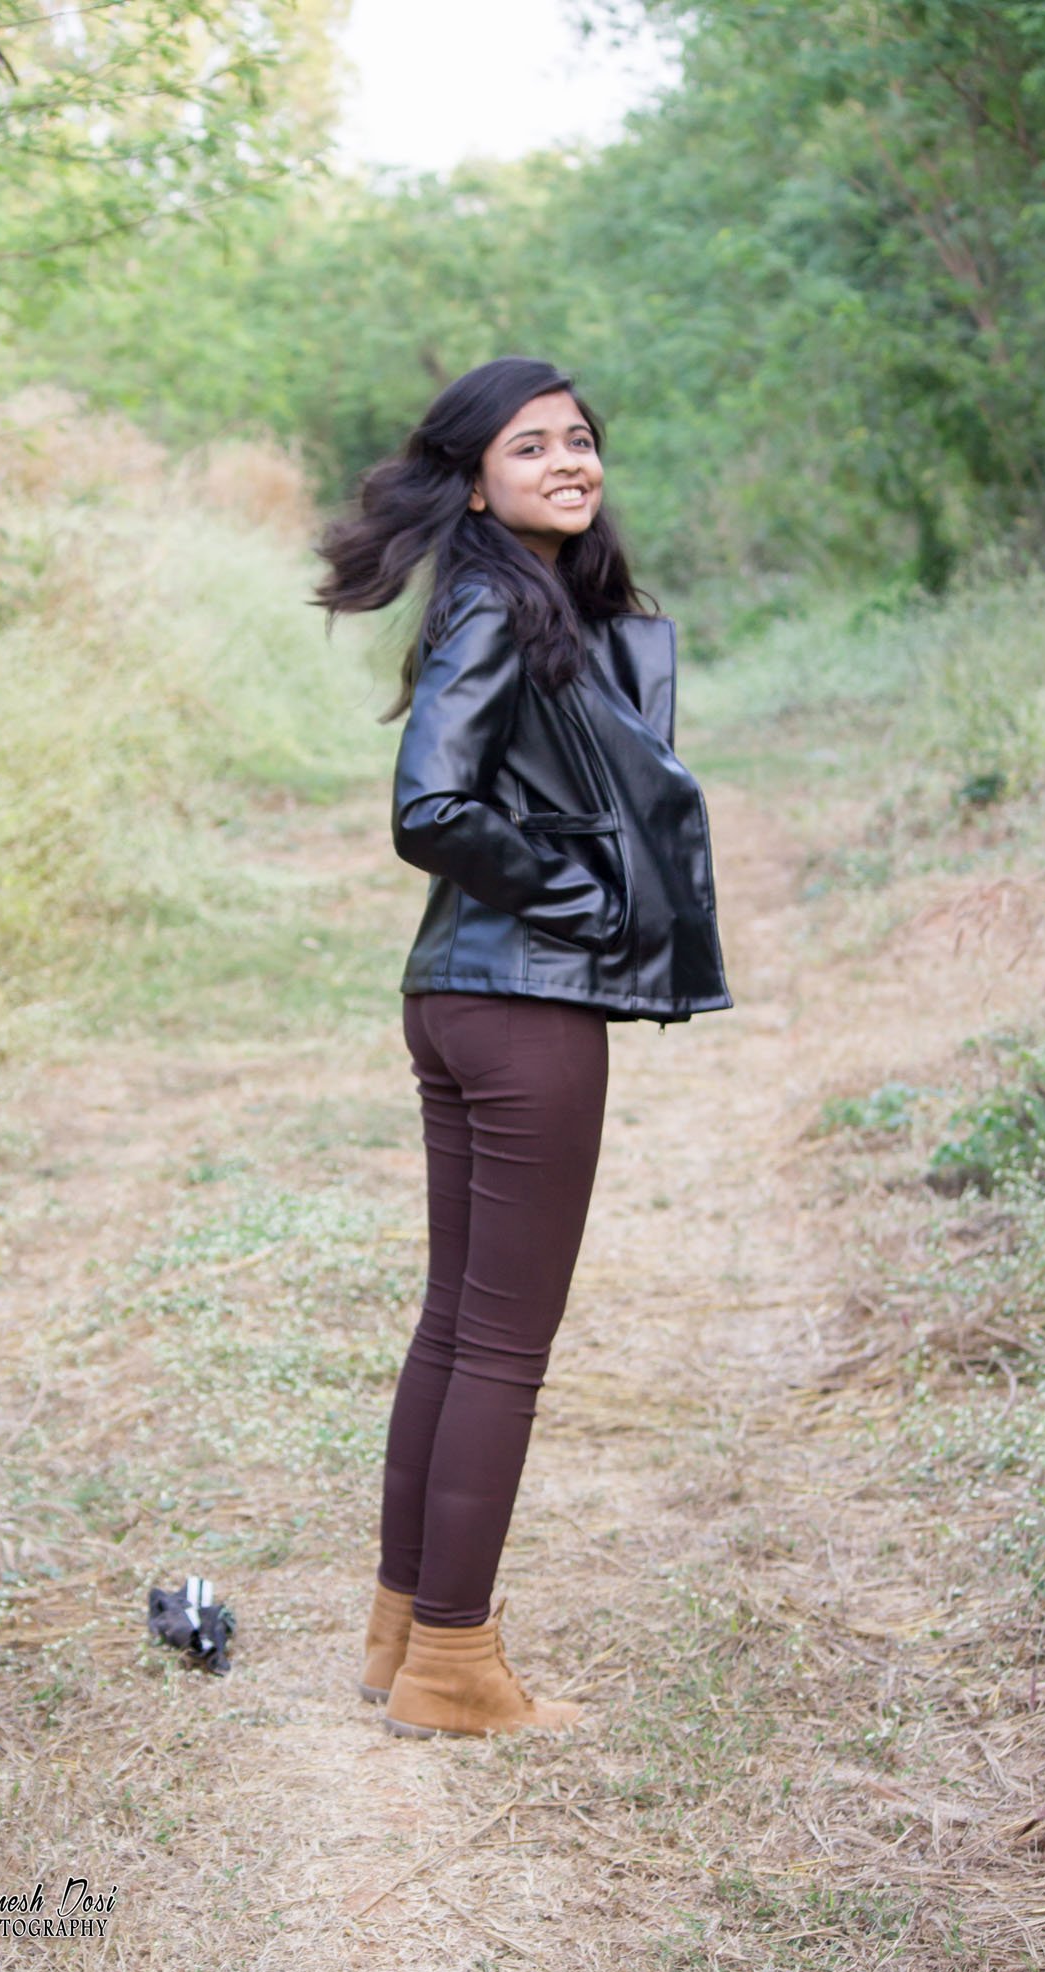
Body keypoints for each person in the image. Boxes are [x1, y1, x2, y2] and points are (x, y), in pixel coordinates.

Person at [315, 355, 731, 1739]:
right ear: (477, 484)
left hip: (467, 995)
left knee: (457, 1326)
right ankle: (453, 1667)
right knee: (500, 1345)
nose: (568, 461)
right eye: (530, 446)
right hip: (518, 1007)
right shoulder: (496, 600)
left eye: (579, 438)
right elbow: (429, 808)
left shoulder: (532, 603)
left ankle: (400, 1636)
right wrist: (583, 898)